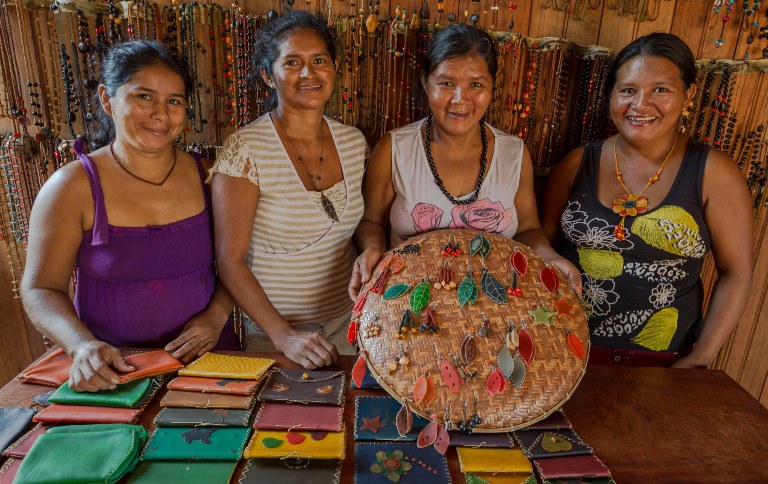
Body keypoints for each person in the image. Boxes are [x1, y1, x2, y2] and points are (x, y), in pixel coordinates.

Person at [20, 41, 240, 392]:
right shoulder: (71, 187)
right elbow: (40, 288)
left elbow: (239, 260)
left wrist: (215, 318)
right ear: (107, 99)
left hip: (208, 360)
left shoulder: (211, 176)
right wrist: (81, 346)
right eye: (144, 96)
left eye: (174, 101)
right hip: (112, 371)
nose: (161, 114)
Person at [541, 33, 753, 368]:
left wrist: (702, 356)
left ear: (688, 95)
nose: (640, 104)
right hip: (564, 352)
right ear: (611, 96)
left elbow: (736, 273)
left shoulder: (713, 172)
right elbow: (539, 246)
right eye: (628, 90)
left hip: (665, 361)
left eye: (660, 90)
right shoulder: (578, 163)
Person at [349, 23, 581, 300]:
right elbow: (371, 220)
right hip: (409, 300)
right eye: (446, 83)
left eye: (476, 84)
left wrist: (550, 258)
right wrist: (372, 248)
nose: (460, 99)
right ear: (425, 82)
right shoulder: (395, 148)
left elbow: (528, 229)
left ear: (492, 86)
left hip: (495, 302)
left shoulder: (513, 153)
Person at [211, 10, 367, 369]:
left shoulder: (354, 143)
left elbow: (358, 231)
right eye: (293, 62)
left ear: (334, 67)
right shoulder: (246, 150)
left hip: (348, 326)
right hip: (274, 335)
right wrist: (283, 336)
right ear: (268, 75)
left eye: (319, 61)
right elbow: (229, 262)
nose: (308, 74)